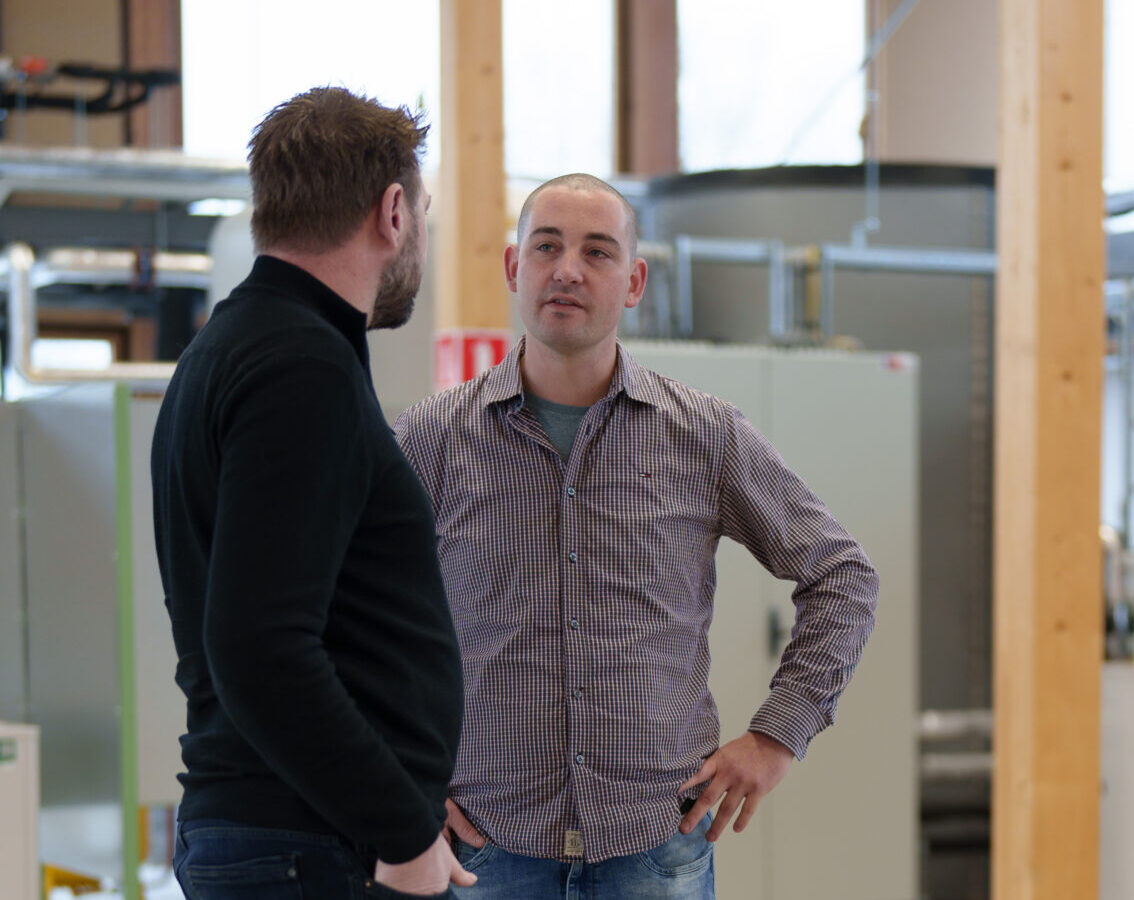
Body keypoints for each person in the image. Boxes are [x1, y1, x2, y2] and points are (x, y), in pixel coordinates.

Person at [392, 173, 880, 899]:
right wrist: (398, 778)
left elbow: (843, 575)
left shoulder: (705, 435)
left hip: (655, 849)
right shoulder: (431, 437)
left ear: (633, 282)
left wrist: (778, 735)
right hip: (487, 851)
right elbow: (351, 608)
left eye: (597, 251)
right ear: (513, 267)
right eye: (547, 246)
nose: (567, 269)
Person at [151, 86, 473, 900]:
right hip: (308, 846)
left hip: (287, 835)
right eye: (422, 213)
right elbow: (259, 646)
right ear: (392, 212)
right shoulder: (302, 368)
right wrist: (401, 830)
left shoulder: (230, 350)